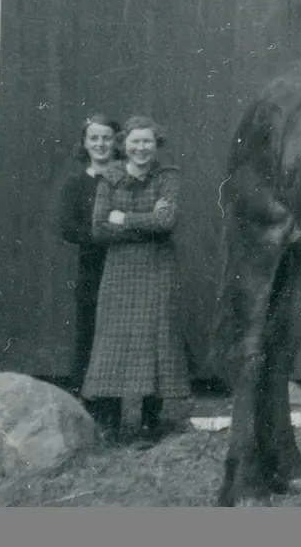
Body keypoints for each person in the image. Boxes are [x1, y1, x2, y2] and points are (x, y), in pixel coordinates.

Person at [81, 115, 191, 448]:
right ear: (123, 145)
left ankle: (148, 423)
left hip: (158, 270)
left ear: (156, 145)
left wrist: (124, 218)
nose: (141, 148)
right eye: (134, 142)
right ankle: (112, 424)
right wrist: (147, 221)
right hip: (119, 271)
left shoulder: (168, 178)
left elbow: (167, 221)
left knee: (154, 339)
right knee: (113, 343)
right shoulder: (110, 178)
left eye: (147, 142)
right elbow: (99, 228)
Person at [56, 113, 122, 430]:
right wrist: (103, 232)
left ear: (115, 142)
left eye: (106, 137)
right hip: (93, 270)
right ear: (84, 143)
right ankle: (86, 415)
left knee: (119, 339)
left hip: (126, 268)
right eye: (94, 138)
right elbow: (68, 227)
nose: (100, 144)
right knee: (90, 337)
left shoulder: (125, 180)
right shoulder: (76, 184)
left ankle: (115, 415)